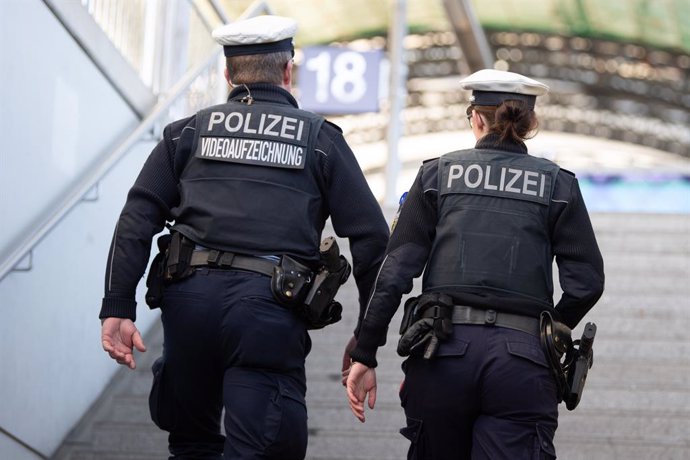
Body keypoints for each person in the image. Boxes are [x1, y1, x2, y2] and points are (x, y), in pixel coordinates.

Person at [99, 14, 389, 460]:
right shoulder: (320, 141)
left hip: (188, 308)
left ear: (228, 74)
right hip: (267, 316)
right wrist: (366, 338)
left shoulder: (187, 133)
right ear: (288, 72)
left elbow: (138, 214)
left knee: (190, 445)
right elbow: (371, 238)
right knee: (263, 448)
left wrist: (118, 304)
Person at [345, 69, 605, 459]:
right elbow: (587, 281)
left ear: (477, 119)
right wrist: (545, 332)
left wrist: (365, 352)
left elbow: (395, 272)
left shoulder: (437, 174)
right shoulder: (558, 185)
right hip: (522, 363)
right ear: (530, 123)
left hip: (442, 353)